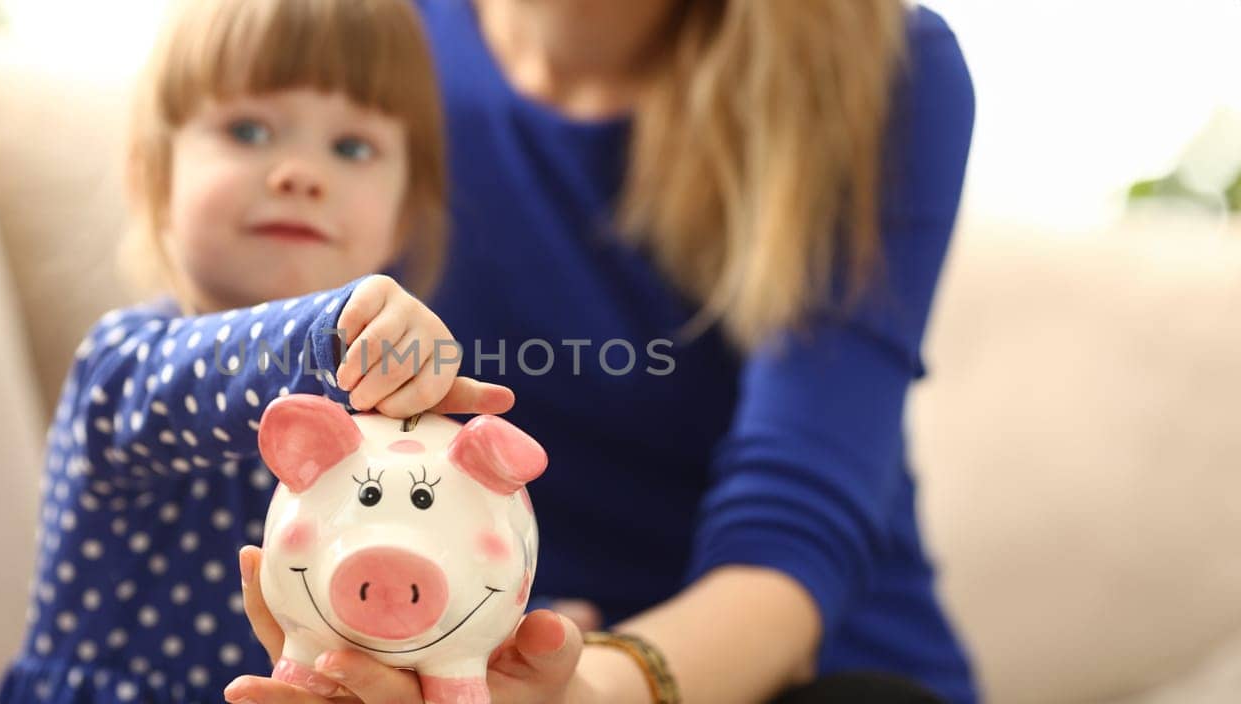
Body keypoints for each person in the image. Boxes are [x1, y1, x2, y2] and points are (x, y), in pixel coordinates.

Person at [224, 0, 979, 703]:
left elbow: (795, 522)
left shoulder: (887, 64)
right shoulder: (348, 28)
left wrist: (580, 689)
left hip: (793, 672)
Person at [0, 1, 516, 701]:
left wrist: (498, 625)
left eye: (353, 147)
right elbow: (199, 381)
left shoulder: (394, 422)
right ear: (154, 174)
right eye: (249, 130)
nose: (301, 174)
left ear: (403, 216)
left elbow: (430, 552)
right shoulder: (120, 366)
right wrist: (331, 330)